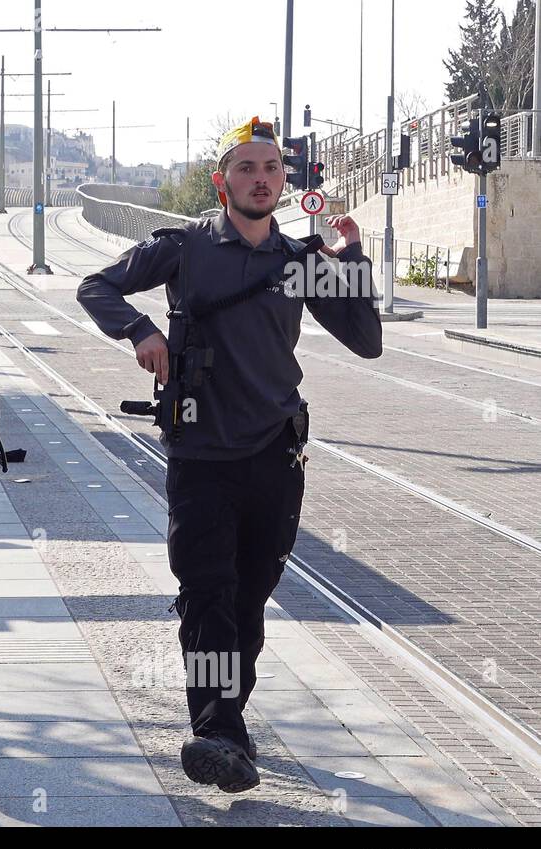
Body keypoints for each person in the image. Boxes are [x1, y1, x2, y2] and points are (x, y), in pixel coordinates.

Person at [76, 116, 383, 793]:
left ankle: (227, 728)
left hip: (277, 453)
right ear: (223, 182)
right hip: (202, 454)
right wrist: (139, 329)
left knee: (248, 604)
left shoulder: (301, 261)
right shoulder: (183, 247)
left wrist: (353, 262)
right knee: (208, 594)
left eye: (272, 168)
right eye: (247, 168)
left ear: (284, 180)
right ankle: (218, 730)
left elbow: (366, 340)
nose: (261, 178)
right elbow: (95, 286)